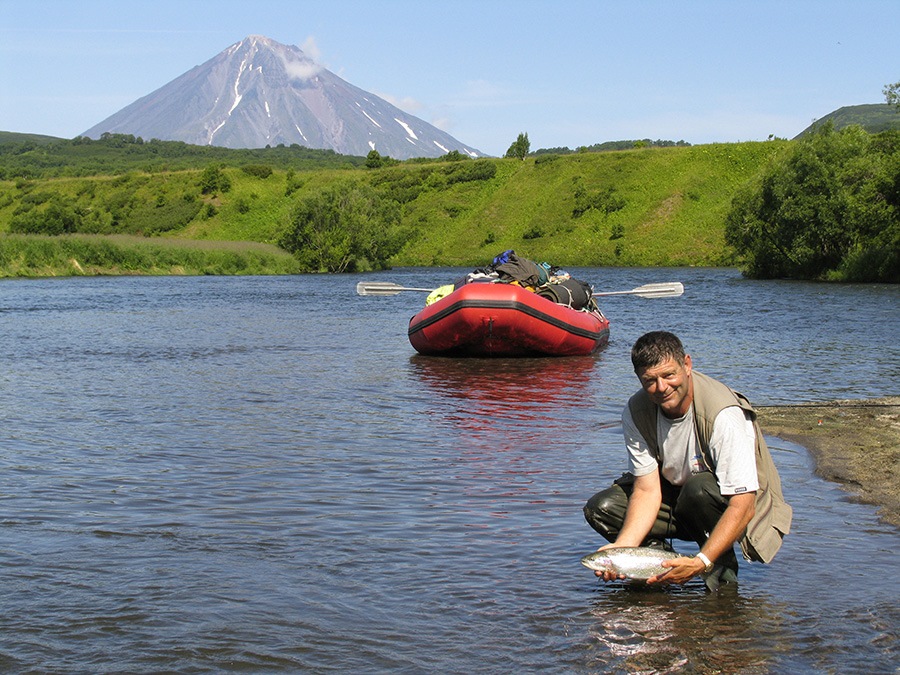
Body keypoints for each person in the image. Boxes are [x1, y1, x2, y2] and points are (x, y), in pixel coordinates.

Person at [583, 331, 792, 591]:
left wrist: (701, 561)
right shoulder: (636, 412)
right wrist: (621, 553)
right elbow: (647, 491)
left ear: (688, 365)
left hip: (724, 504)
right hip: (674, 499)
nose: (661, 388)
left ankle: (721, 583)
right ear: (639, 379)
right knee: (602, 507)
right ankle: (655, 575)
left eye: (669, 375)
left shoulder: (724, 415)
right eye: (650, 380)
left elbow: (744, 504)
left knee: (698, 489)